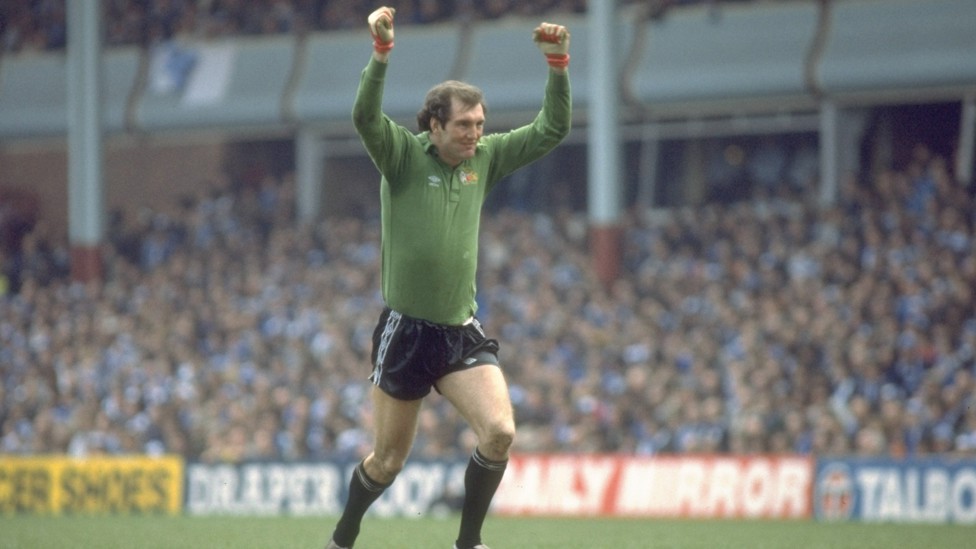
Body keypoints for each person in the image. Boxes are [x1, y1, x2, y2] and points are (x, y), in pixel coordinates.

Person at [325, 6, 571, 549]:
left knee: (501, 432)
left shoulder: (484, 159)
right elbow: (366, 118)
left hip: (459, 331)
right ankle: (343, 537)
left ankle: (469, 542)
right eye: (464, 125)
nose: (476, 134)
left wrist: (557, 66)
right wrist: (381, 56)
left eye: (480, 124)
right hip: (406, 333)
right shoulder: (401, 159)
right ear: (433, 124)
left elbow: (552, 129)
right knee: (387, 462)